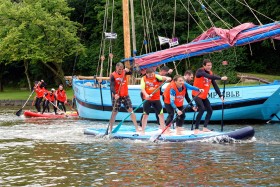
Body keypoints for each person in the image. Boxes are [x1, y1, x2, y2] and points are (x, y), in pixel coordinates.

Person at [192, 59, 227, 134]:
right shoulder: (200, 71)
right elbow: (206, 75)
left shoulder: (211, 73)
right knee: (202, 109)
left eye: (210, 65)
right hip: (196, 94)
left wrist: (220, 95)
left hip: (204, 96)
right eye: (207, 65)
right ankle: (196, 129)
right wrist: (220, 78)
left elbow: (215, 85)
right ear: (204, 65)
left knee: (210, 110)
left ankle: (205, 128)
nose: (209, 67)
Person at [108, 62, 139, 133]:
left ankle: (137, 128)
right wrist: (115, 94)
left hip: (125, 95)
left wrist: (129, 70)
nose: (120, 70)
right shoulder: (113, 75)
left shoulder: (124, 72)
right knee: (114, 112)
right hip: (117, 96)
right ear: (116, 68)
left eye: (122, 69)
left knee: (131, 110)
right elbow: (112, 86)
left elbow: (131, 73)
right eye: (119, 69)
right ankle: (110, 129)